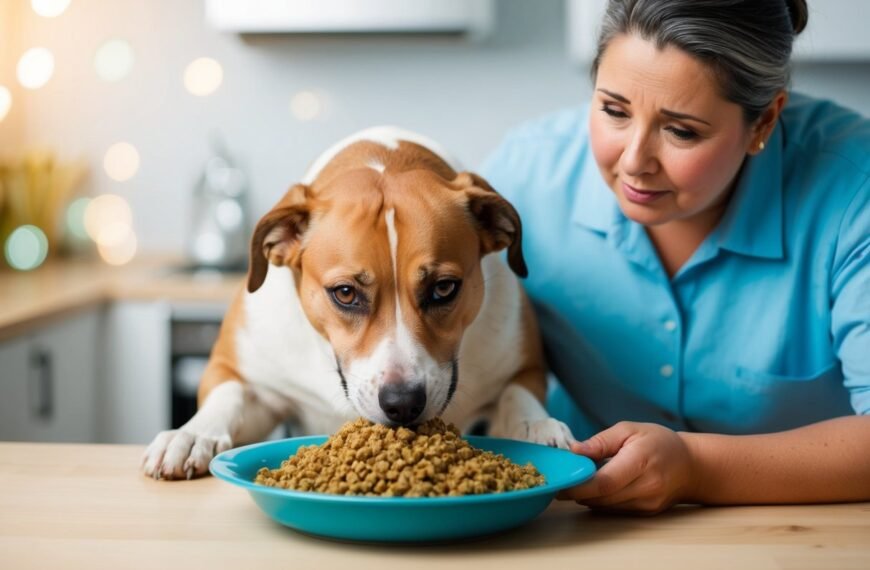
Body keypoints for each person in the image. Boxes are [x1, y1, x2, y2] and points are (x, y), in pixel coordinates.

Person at [480, 0, 870, 514]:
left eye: (681, 131)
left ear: (764, 122)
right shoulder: (524, 179)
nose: (635, 161)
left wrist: (697, 467)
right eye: (613, 111)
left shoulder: (853, 191)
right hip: (576, 526)